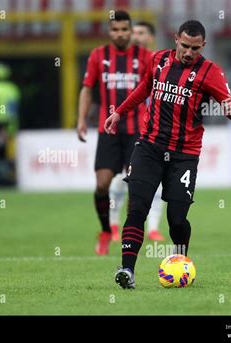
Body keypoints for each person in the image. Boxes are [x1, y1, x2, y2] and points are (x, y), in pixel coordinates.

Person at [105, 20, 231, 288]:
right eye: (185, 46)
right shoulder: (158, 60)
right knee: (137, 208)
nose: (189, 53)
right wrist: (119, 111)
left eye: (195, 48)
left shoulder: (210, 72)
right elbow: (145, 88)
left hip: (184, 155)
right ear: (176, 38)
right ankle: (127, 271)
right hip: (149, 148)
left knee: (176, 219)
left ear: (203, 46)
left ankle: (181, 261)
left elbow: (229, 101)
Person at [77, 10, 153, 255]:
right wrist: (80, 120)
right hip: (107, 130)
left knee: (135, 186)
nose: (120, 34)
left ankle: (131, 238)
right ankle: (105, 231)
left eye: (124, 29)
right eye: (115, 30)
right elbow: (87, 89)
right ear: (109, 32)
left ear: (131, 31)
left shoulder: (145, 57)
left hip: (136, 131)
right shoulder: (98, 56)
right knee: (102, 185)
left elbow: (156, 90)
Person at [109, 20, 166, 242]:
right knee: (122, 177)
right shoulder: (121, 63)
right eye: (134, 33)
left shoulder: (162, 63)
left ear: (150, 37)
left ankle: (153, 228)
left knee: (156, 179)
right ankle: (113, 225)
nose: (136, 36)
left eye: (141, 33)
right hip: (127, 128)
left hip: (155, 131)